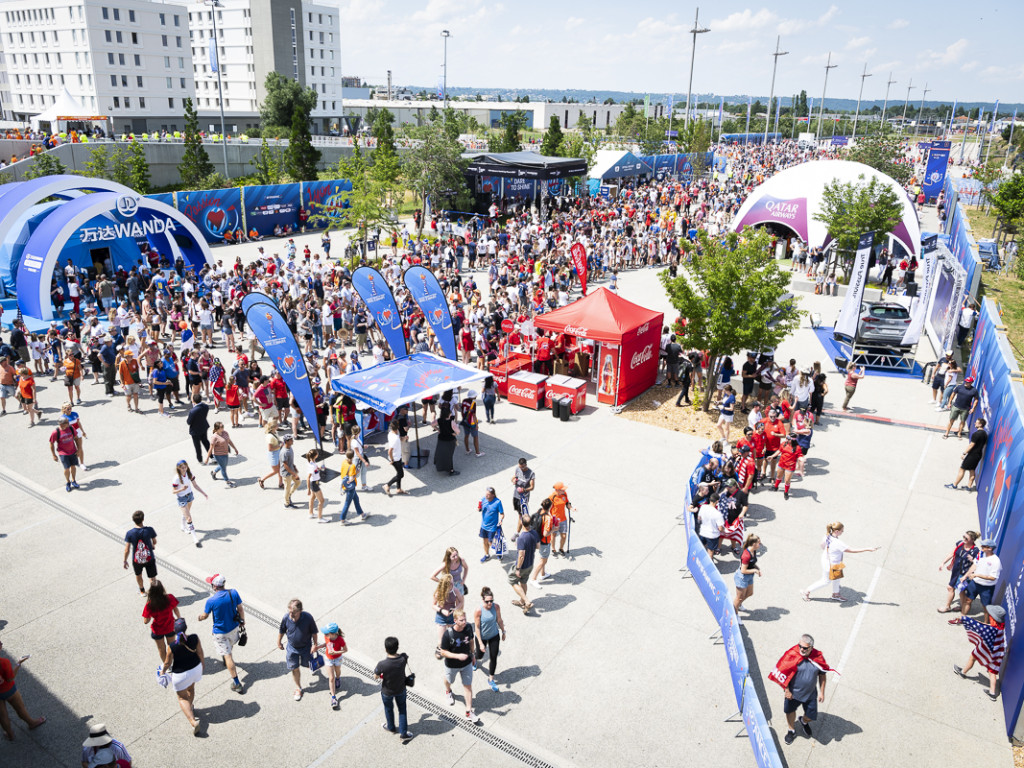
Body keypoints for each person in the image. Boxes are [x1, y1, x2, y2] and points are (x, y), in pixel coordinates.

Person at [768, 634, 837, 745]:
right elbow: (783, 672)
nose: (801, 649)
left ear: (811, 647)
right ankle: (791, 730)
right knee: (789, 712)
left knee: (811, 716)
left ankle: (803, 721)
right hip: (793, 694)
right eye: (800, 646)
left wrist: (822, 692)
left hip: (810, 694)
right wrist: (787, 690)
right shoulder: (791, 655)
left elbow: (822, 675)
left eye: (805, 648)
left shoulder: (818, 658)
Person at [801, 521, 880, 602]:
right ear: (837, 531)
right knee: (825, 581)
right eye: (842, 531)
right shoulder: (838, 543)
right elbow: (851, 550)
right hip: (831, 564)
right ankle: (806, 591)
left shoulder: (827, 535)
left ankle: (836, 594)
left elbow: (822, 545)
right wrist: (867, 549)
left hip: (828, 561)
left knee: (837, 578)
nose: (843, 532)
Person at [197, 573, 244, 693]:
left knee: (228, 656)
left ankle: (237, 683)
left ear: (214, 587)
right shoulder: (233, 593)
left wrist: (200, 617)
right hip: (234, 628)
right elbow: (240, 608)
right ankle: (227, 657)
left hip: (220, 632)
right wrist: (242, 621)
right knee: (229, 648)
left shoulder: (211, 601)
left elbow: (205, 615)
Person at [160, 618, 204, 735]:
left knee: (182, 698)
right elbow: (200, 652)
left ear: (175, 631)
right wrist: (202, 666)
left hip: (180, 674)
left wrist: (162, 671)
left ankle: (193, 721)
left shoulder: (172, 646)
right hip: (195, 669)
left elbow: (167, 662)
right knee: (191, 689)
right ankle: (191, 708)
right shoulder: (194, 637)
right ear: (186, 628)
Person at [953, 604, 1005, 700]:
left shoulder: (990, 630)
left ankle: (963, 672)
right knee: (992, 671)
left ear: (993, 619)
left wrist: (966, 620)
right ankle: (992, 693)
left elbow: (980, 627)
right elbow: (986, 626)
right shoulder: (1000, 627)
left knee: (972, 658)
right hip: (995, 653)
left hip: (985, 649)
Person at [438, 610, 480, 723]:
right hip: (452, 665)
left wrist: (473, 654)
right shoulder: (448, 634)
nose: (465, 622)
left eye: (465, 619)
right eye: (461, 620)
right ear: (455, 621)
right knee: (449, 680)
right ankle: (448, 691)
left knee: (468, 686)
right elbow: (443, 652)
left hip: (466, 664)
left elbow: (471, 641)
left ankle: (468, 712)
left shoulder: (468, 628)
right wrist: (457, 656)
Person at [0, 638, 45, 740]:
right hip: (8, 690)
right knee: (20, 708)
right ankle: (32, 723)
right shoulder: (3, 662)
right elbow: (10, 678)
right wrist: (18, 664)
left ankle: (10, 734)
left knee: (2, 716)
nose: (2, 643)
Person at [277, 598, 319, 701]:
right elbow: (282, 630)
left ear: (300, 611)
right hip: (292, 649)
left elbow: (314, 632)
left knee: (308, 665)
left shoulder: (308, 618)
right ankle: (298, 688)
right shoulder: (286, 617)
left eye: (294, 612)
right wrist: (279, 642)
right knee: (294, 668)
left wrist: (315, 644)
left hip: (306, 648)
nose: (291, 614)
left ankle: (312, 666)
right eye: (290, 611)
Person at [950, 539, 1000, 624]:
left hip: (986, 587)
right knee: (967, 600)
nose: (981, 547)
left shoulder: (995, 561)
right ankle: (962, 617)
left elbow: (993, 577)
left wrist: (977, 575)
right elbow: (975, 565)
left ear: (990, 548)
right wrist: (965, 576)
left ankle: (985, 623)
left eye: (984, 546)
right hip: (975, 583)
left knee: (985, 606)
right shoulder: (980, 554)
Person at [374, 636, 413, 741]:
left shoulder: (382, 664)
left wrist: (381, 675)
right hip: (401, 689)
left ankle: (391, 727)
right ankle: (404, 733)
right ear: (397, 647)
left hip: (387, 691)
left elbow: (375, 676)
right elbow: (405, 655)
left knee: (388, 709)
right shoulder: (403, 658)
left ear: (385, 649)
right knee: (402, 711)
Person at [938, 531, 981, 614]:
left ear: (972, 540)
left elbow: (977, 564)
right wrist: (943, 563)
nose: (964, 539)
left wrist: (972, 560)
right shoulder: (960, 544)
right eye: (963, 537)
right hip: (956, 571)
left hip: (964, 574)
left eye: (966, 538)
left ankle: (955, 607)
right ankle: (958, 606)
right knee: (953, 589)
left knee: (958, 590)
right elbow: (952, 553)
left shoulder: (975, 551)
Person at [474, 586, 505, 694]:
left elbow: (499, 620)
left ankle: (491, 679)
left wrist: (503, 631)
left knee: (493, 657)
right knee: (480, 656)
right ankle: (474, 658)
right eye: (487, 601)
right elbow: (477, 628)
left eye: (491, 601)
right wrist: (481, 643)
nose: (490, 603)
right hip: (482, 637)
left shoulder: (496, 607)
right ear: (483, 600)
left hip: (494, 635)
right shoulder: (479, 611)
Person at [142, 579, 181, 663]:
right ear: (162, 588)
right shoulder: (169, 597)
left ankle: (167, 665)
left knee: (161, 649)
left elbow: (146, 621)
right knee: (171, 647)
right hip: (170, 626)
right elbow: (176, 610)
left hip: (157, 629)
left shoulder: (150, 604)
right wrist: (179, 618)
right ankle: (173, 661)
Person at [172, 459, 206, 547]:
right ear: (178, 469)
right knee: (189, 518)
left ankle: (182, 526)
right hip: (181, 498)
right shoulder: (176, 478)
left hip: (189, 496)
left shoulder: (189, 473)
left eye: (185, 467)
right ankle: (195, 538)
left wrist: (203, 493)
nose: (184, 469)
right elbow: (174, 491)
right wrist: (182, 489)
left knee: (187, 514)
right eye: (182, 468)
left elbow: (195, 485)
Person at [123, 510, 158, 595]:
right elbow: (154, 541)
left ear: (133, 520)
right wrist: (152, 545)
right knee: (152, 576)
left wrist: (125, 560)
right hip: (149, 558)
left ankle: (142, 591)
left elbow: (127, 549)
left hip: (137, 560)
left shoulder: (129, 533)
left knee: (138, 575)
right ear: (143, 519)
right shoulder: (149, 530)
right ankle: (154, 593)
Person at [313, 622, 347, 709]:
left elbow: (345, 650)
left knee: (337, 672)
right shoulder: (327, 636)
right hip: (328, 658)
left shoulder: (340, 640)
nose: (325, 634)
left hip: (338, 658)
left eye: (327, 633)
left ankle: (338, 678)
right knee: (331, 678)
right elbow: (327, 644)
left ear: (333, 634)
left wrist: (336, 652)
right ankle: (333, 697)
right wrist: (319, 647)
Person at [509, 513, 539, 614]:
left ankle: (526, 600)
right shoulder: (534, 533)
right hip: (530, 563)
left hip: (522, 566)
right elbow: (538, 546)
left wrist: (517, 568)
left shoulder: (522, 537)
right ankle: (522, 602)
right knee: (523, 582)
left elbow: (521, 555)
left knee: (512, 581)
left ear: (522, 523)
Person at [946, 418, 987, 490]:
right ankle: (969, 486)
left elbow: (971, 445)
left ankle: (954, 485)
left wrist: (964, 453)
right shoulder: (985, 434)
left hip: (972, 455)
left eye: (976, 422)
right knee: (972, 470)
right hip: (978, 455)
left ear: (980, 424)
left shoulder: (976, 434)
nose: (975, 423)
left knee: (962, 469)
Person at [50, 416, 80, 492]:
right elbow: (51, 443)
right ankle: (68, 482)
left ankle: (73, 480)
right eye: (67, 422)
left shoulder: (71, 428)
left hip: (73, 451)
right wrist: (54, 455)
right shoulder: (56, 432)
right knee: (66, 468)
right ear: (61, 424)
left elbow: (76, 438)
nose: (68, 423)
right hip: (63, 453)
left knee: (73, 466)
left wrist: (78, 449)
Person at [733, 534, 762, 613]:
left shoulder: (753, 551)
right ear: (754, 544)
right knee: (739, 598)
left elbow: (752, 563)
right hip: (742, 577)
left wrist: (757, 568)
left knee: (749, 593)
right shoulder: (746, 555)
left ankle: (738, 605)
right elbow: (743, 570)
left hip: (749, 576)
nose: (760, 544)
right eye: (759, 543)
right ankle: (734, 614)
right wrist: (754, 571)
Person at [433, 391, 460, 476]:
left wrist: (438, 430)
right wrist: (454, 434)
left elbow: (432, 424)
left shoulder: (439, 420)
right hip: (449, 440)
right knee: (449, 455)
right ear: (449, 414)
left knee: (440, 452)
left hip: (441, 438)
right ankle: (451, 470)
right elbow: (458, 431)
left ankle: (438, 463)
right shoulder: (452, 422)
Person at [205, 421, 239, 487]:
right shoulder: (214, 437)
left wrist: (235, 448)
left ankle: (214, 473)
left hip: (225, 453)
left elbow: (229, 441)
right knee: (223, 468)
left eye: (223, 426)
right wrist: (207, 458)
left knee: (222, 465)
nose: (223, 427)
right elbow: (210, 448)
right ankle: (228, 482)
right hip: (218, 455)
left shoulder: (225, 433)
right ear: (217, 428)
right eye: (221, 427)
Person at [531, 498, 555, 586]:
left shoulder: (539, 511)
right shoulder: (548, 518)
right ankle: (533, 578)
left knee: (542, 557)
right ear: (550, 507)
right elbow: (545, 533)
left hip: (537, 539)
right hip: (544, 542)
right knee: (543, 560)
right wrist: (554, 529)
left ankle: (543, 574)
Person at [339, 449, 366, 523]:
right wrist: (356, 473)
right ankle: (342, 519)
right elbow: (351, 478)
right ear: (353, 457)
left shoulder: (344, 462)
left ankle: (362, 514)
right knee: (347, 503)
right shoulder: (352, 466)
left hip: (345, 485)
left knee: (356, 499)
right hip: (350, 487)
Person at [478, 486, 504, 562]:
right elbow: (480, 508)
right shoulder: (483, 499)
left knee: (491, 543)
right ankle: (487, 555)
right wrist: (479, 509)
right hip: (484, 526)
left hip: (492, 527)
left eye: (488, 494)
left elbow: (502, 514)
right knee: (485, 541)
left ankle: (499, 552)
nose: (486, 496)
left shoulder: (497, 502)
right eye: (486, 494)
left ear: (493, 495)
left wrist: (501, 519)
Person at [697, 492, 726, 558]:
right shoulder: (718, 514)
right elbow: (720, 528)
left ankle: (701, 561)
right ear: (717, 501)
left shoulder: (703, 507)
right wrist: (724, 530)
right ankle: (709, 566)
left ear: (710, 500)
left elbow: (699, 518)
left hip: (703, 532)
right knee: (710, 551)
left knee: (702, 547)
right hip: (712, 535)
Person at [774, 436, 803, 500]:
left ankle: (786, 492)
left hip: (790, 466)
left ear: (792, 440)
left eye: (788, 439)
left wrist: (801, 460)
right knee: (778, 476)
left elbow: (800, 456)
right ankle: (776, 487)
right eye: (786, 438)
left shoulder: (797, 448)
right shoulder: (784, 443)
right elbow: (779, 451)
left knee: (787, 480)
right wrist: (772, 456)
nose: (786, 440)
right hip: (781, 463)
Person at [383, 420, 407, 496]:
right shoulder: (394, 438)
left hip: (397, 456)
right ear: (398, 427)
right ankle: (387, 485)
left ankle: (398, 489)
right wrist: (392, 460)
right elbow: (390, 451)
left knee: (398, 473)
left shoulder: (392, 434)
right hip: (395, 459)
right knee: (401, 474)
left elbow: (399, 439)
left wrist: (404, 438)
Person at [258, 418, 284, 490]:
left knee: (280, 469)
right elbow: (270, 449)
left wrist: (280, 443)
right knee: (275, 471)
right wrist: (280, 446)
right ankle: (262, 479)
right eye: (277, 424)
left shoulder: (274, 433)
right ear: (273, 427)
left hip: (278, 453)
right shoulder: (270, 436)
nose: (278, 425)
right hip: (274, 455)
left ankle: (280, 483)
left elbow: (277, 441)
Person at [304, 448, 327, 522]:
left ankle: (311, 513)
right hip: (315, 484)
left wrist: (320, 468)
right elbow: (308, 478)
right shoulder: (312, 466)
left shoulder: (311, 463)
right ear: (316, 455)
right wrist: (308, 489)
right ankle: (320, 518)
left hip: (313, 483)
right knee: (321, 500)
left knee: (312, 498)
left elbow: (315, 470)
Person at [186, 394, 211, 464]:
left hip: (195, 430)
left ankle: (200, 460)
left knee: (197, 446)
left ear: (193, 400)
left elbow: (189, 422)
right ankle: (212, 456)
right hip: (203, 427)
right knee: (206, 442)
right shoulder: (206, 406)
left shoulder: (192, 411)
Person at [461, 389, 484, 456]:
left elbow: (462, 410)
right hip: (471, 422)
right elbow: (474, 415)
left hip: (465, 421)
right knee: (475, 437)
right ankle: (477, 453)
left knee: (466, 436)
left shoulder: (464, 400)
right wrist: (476, 424)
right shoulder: (473, 403)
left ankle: (467, 450)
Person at [280, 434, 300, 508]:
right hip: (286, 473)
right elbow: (285, 465)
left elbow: (289, 461)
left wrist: (294, 466)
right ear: (286, 441)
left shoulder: (290, 448)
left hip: (291, 470)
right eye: (291, 440)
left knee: (298, 482)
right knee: (287, 488)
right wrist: (294, 474)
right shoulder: (284, 452)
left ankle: (289, 495)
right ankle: (287, 504)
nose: (292, 441)